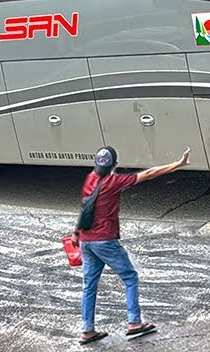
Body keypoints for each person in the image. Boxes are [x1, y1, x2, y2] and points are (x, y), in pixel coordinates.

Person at [73, 146, 191, 345]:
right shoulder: (114, 182)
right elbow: (150, 173)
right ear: (114, 165)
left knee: (89, 286)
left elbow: (85, 207)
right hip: (105, 241)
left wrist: (76, 233)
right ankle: (134, 322)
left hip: (86, 241)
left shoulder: (90, 179)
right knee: (130, 276)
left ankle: (87, 330)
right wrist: (178, 164)